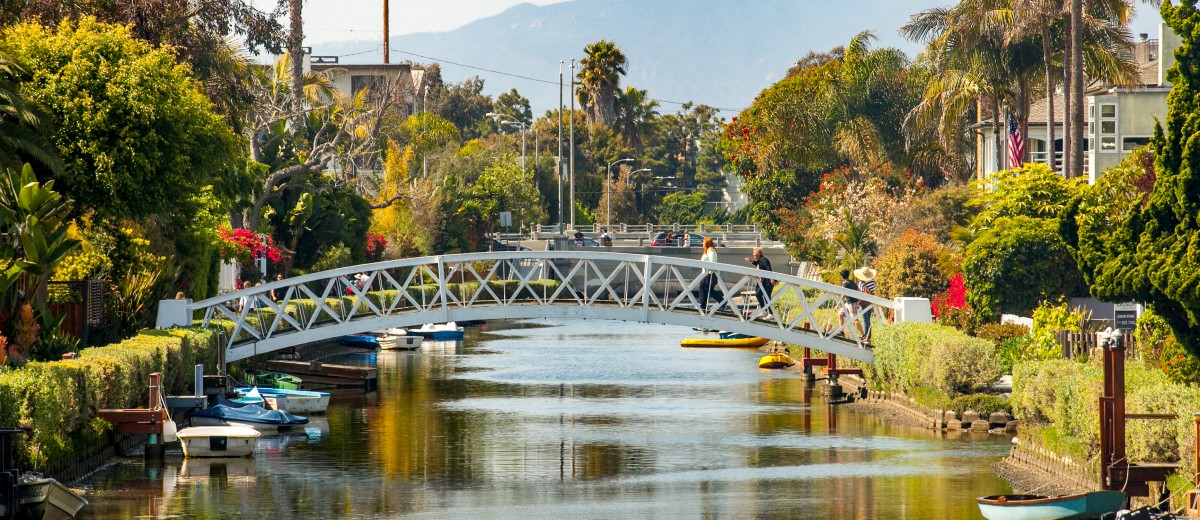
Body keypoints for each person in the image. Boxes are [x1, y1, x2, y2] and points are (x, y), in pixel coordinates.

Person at [744, 248, 774, 316]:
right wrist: (751, 261)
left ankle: (765, 311)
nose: (753, 254)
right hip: (764, 281)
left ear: (759, 253)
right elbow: (758, 264)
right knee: (766, 297)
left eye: (755, 253)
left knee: (759, 294)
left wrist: (771, 278)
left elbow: (768, 268)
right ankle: (769, 313)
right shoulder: (760, 260)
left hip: (767, 281)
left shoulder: (763, 260)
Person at [698, 237, 724, 312]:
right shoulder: (708, 251)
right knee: (707, 289)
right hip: (708, 274)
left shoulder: (710, 250)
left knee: (704, 287)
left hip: (710, 274)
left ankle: (703, 306)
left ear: (706, 242)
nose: (702, 244)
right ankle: (704, 305)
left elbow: (713, 262)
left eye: (703, 242)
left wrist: (709, 270)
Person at [837, 269, 863, 338]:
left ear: (841, 276)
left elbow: (843, 294)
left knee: (855, 319)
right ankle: (841, 332)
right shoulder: (851, 281)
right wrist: (859, 299)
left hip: (852, 303)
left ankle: (863, 335)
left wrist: (838, 304)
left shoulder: (845, 283)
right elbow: (858, 290)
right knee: (840, 314)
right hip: (849, 302)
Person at [855, 266, 877, 341]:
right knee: (868, 319)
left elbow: (861, 293)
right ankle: (868, 335)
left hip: (864, 302)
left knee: (865, 319)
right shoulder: (873, 281)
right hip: (870, 301)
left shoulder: (862, 283)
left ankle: (866, 336)